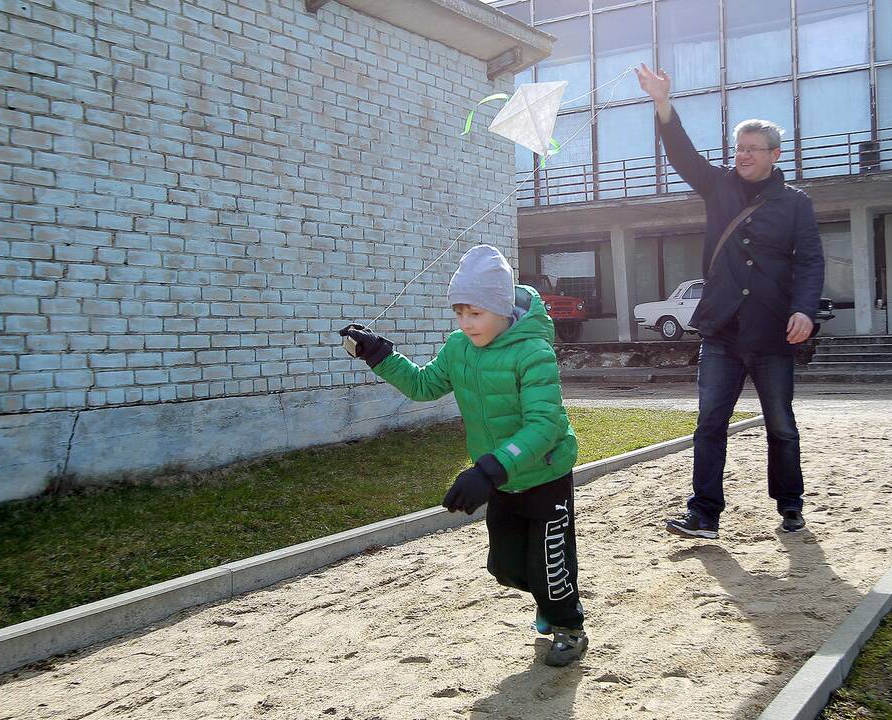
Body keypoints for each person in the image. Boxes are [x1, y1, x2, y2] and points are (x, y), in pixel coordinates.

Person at [340, 244, 588, 666]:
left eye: (477, 313)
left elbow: (545, 426)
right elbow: (423, 386)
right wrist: (378, 355)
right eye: (460, 312)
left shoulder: (533, 351)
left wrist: (489, 469)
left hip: (544, 476)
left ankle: (568, 626)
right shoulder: (459, 348)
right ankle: (548, 599)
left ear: (501, 308)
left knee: (550, 563)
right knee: (505, 567)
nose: (467, 323)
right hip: (502, 481)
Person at [635, 63, 825, 539]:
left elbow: (810, 262)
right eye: (738, 148)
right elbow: (682, 155)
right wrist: (663, 104)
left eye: (751, 149)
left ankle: (790, 505)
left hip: (771, 331)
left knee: (780, 424)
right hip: (720, 331)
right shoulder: (718, 185)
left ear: (774, 155)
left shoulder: (795, 203)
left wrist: (803, 308)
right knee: (709, 424)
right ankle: (704, 514)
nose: (741, 155)